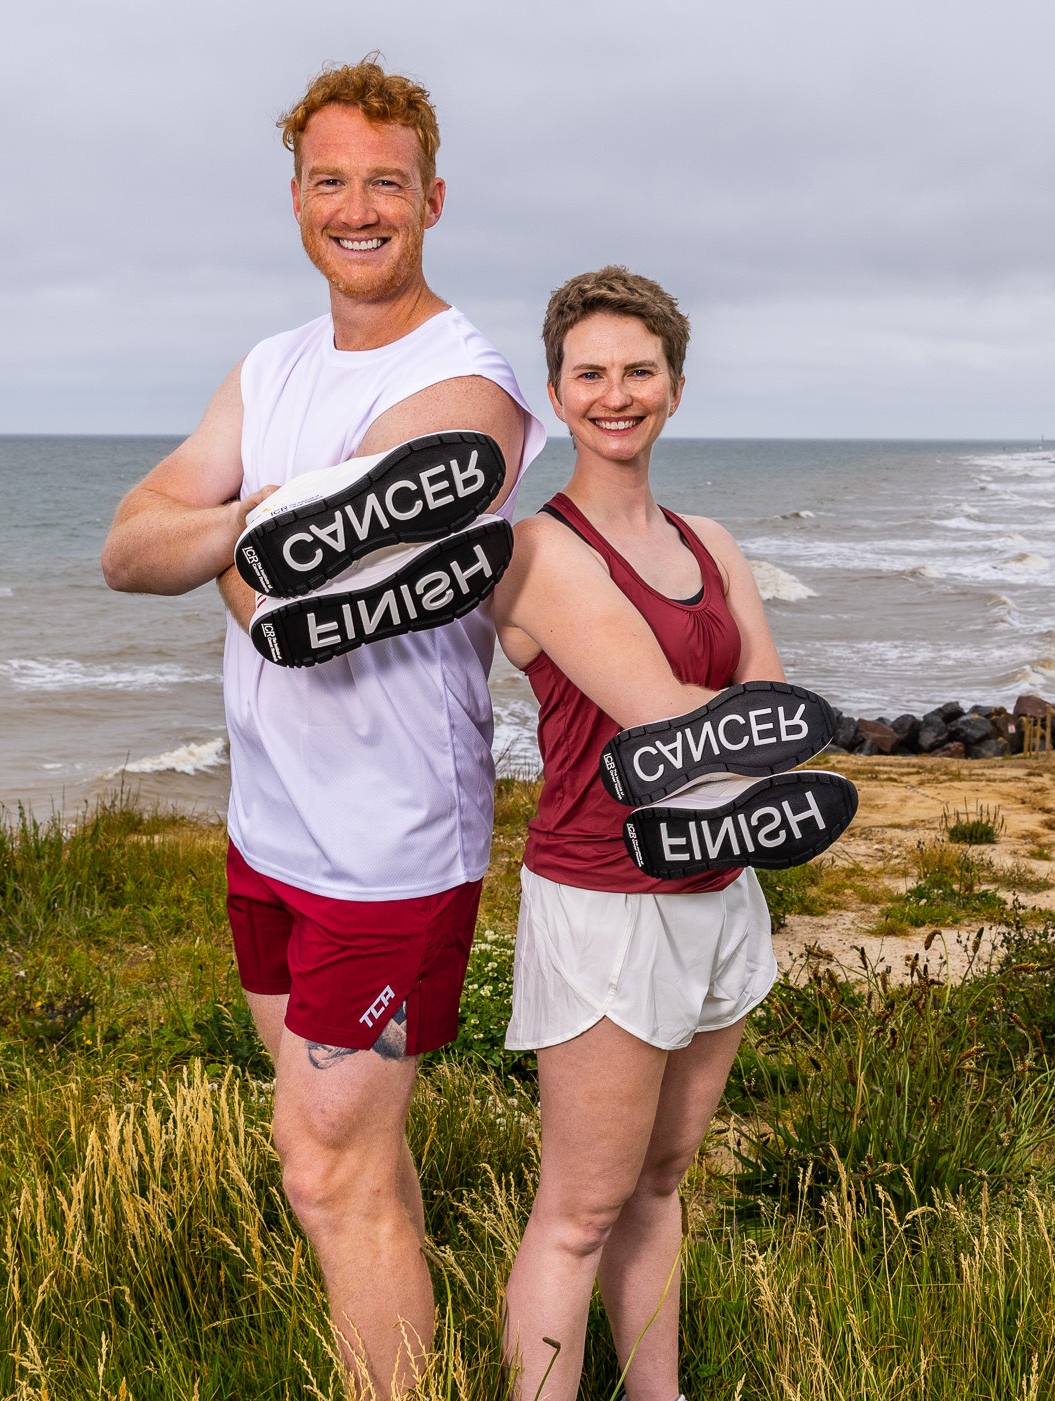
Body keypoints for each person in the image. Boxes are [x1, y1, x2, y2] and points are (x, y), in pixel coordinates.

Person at [100, 57, 545, 1399]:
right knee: (354, 1166)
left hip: (391, 848)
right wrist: (256, 523)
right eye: (333, 181)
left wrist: (239, 537)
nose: (360, 208)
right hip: (270, 829)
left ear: (435, 198)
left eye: (388, 184)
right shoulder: (272, 364)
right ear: (297, 196)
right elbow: (130, 547)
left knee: (325, 1167)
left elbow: (312, 595)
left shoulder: (472, 382)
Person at [491, 267, 817, 1400]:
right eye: (591, 374)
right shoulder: (537, 551)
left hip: (719, 895)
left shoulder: (709, 541)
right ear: (555, 392)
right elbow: (666, 721)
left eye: (639, 371)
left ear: (673, 388)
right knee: (578, 1212)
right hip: (605, 903)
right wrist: (747, 732)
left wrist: (749, 735)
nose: (615, 394)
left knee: (662, 1183)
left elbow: (769, 725)